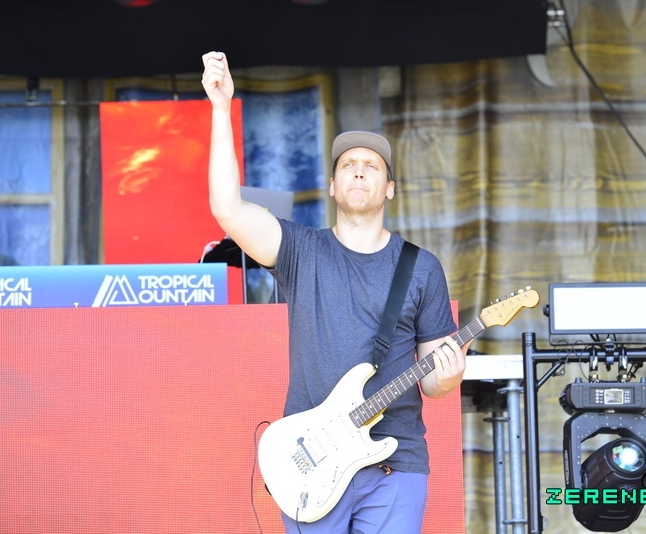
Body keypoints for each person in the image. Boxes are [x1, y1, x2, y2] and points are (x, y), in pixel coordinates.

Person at [201, 51, 470, 533]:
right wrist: (221, 110)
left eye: (372, 165)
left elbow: (432, 383)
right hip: (312, 461)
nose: (360, 171)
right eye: (348, 164)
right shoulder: (301, 250)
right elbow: (227, 208)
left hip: (395, 464)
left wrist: (449, 378)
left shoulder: (421, 267)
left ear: (390, 188)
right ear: (332, 185)